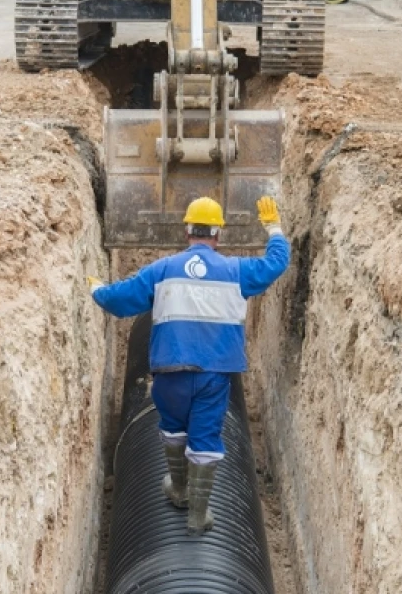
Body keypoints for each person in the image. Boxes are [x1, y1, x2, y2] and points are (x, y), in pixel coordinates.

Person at [86, 196, 289, 535]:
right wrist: (274, 228)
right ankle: (198, 514)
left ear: (187, 231)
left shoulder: (162, 269)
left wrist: (97, 291)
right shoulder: (236, 271)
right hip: (214, 375)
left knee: (173, 428)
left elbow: (121, 300)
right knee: (206, 437)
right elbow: (276, 264)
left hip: (170, 370)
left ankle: (178, 490)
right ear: (218, 235)